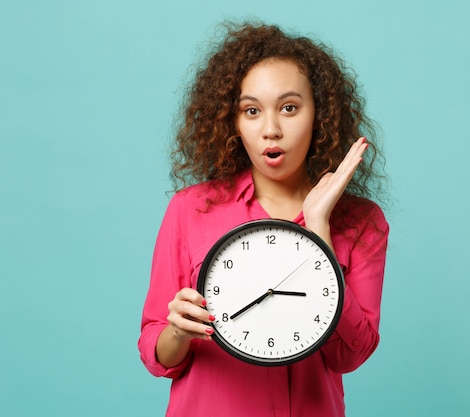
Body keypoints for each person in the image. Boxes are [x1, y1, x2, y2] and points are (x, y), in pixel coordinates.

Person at [138, 21, 389, 417]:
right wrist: (178, 330)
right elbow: (156, 352)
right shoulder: (190, 209)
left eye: (289, 108)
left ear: (318, 115)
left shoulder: (362, 223)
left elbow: (350, 354)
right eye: (251, 111)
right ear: (234, 122)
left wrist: (319, 227)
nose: (271, 130)